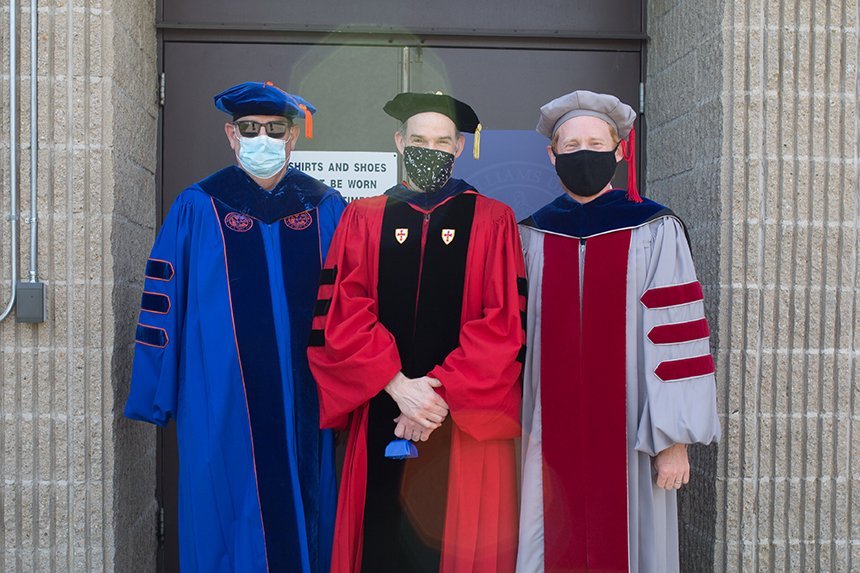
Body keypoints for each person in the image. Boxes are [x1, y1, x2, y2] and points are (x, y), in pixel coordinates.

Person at [124, 80, 344, 573]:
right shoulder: (198, 206)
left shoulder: (326, 208)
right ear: (231, 135)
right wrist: (159, 391)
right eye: (250, 129)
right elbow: (164, 302)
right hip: (218, 398)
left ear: (292, 138)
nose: (261, 139)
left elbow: (350, 307)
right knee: (222, 506)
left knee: (306, 508)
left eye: (274, 130)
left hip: (306, 396)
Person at [307, 92, 526, 573]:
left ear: (459, 148)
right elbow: (342, 309)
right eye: (420, 140)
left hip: (460, 418)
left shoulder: (493, 219)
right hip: (383, 404)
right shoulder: (364, 216)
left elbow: (504, 322)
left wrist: (435, 396)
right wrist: (398, 387)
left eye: (443, 142)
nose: (431, 149)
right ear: (399, 142)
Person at [516, 90, 721, 573]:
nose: (583, 153)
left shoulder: (655, 228)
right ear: (552, 155)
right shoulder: (532, 234)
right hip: (547, 438)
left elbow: (678, 335)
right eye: (570, 146)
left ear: (620, 151)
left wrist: (674, 439)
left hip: (633, 434)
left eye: (594, 142)